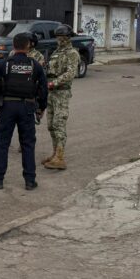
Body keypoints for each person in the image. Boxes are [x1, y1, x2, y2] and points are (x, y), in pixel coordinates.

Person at [0, 33, 48, 190]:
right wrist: (41, 107)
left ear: (13, 46)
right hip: (27, 107)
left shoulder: (4, 64)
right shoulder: (35, 65)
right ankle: (30, 181)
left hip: (7, 106)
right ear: (28, 46)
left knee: (2, 143)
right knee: (27, 144)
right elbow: (44, 88)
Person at [42, 24, 80, 170]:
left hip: (61, 92)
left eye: (62, 37)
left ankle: (60, 157)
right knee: (51, 125)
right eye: (58, 37)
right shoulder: (57, 52)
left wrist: (53, 83)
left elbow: (70, 74)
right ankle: (54, 154)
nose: (59, 39)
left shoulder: (72, 53)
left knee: (59, 124)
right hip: (51, 92)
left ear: (68, 38)